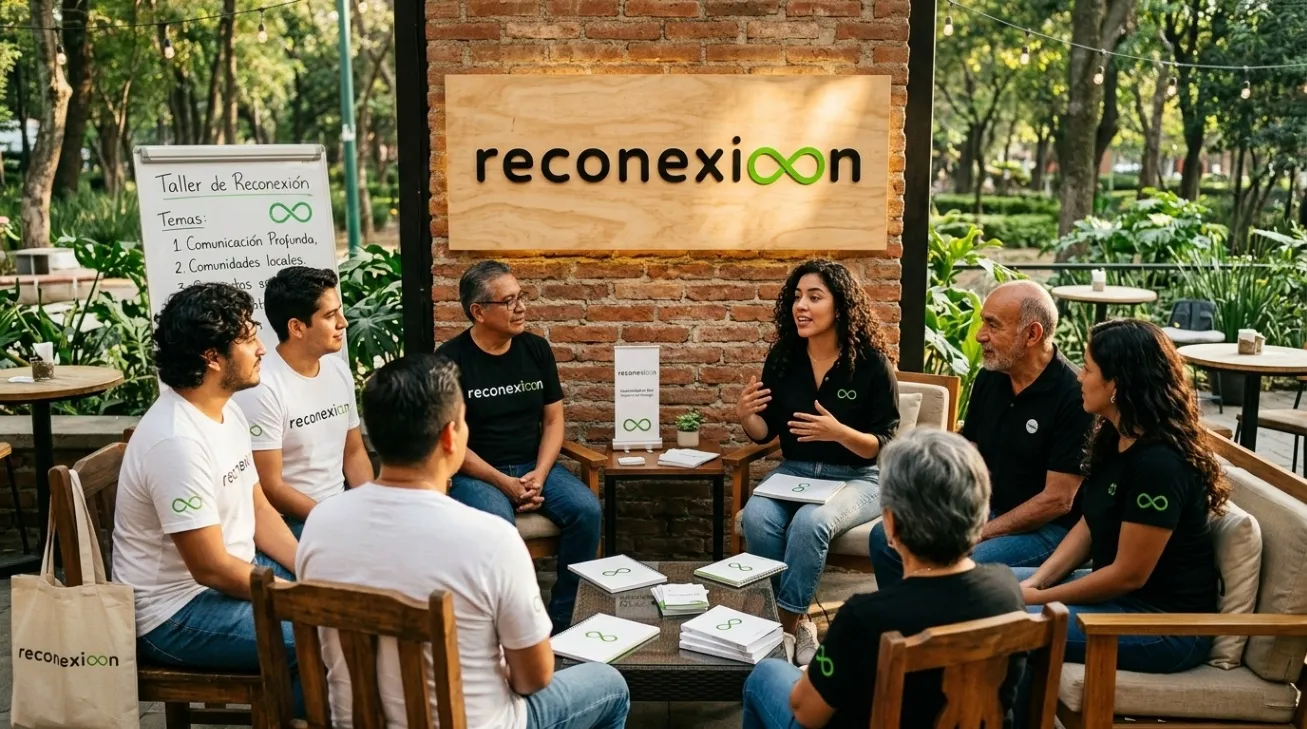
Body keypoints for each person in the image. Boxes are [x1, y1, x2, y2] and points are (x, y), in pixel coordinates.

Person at [297, 354, 630, 729]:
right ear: (449, 436)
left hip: (354, 723)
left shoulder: (321, 523)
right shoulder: (491, 540)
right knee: (609, 685)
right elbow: (533, 678)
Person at [742, 428, 1026, 729]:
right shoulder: (1008, 591)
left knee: (765, 675)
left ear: (890, 524)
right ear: (981, 515)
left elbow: (806, 712)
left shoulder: (864, 618)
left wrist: (818, 673)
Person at [112, 283, 301, 692]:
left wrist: (308, 566)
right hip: (174, 613)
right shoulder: (176, 441)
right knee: (323, 633)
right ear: (212, 357)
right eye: (248, 339)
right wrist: (298, 598)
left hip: (233, 574)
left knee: (347, 587)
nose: (262, 349)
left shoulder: (226, 411)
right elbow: (210, 567)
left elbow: (259, 508)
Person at [1016, 319, 1224, 672]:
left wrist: (1041, 597)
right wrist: (1036, 582)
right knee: (981, 588)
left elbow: (1128, 575)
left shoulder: (1160, 465)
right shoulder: (1116, 437)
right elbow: (1090, 524)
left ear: (1116, 384)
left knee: (1001, 619)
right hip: (1119, 602)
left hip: (1164, 626)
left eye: (1087, 369)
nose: (1079, 378)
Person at [869, 280, 1093, 587]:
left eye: (993, 325)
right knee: (885, 536)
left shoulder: (1074, 396)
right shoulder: (991, 376)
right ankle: (903, 612)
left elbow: (1058, 500)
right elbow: (970, 450)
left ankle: (928, 615)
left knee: (953, 565)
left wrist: (979, 532)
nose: (980, 335)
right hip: (985, 509)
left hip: (1047, 529)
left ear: (1032, 334)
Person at [736, 259, 900, 666]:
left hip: (858, 477)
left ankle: (782, 628)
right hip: (794, 472)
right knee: (756, 516)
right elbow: (765, 432)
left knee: (811, 522)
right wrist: (745, 415)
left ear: (840, 306)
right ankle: (800, 621)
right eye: (797, 297)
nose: (801, 306)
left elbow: (883, 446)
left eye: (814, 297)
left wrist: (840, 433)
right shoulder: (783, 359)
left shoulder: (872, 364)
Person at [435, 261, 601, 633]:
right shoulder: (449, 360)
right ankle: (512, 626)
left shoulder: (535, 349)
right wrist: (503, 483)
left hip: (533, 464)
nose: (521, 307)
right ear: (478, 311)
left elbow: (554, 421)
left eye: (521, 297)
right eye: (508, 301)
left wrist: (539, 475)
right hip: (477, 473)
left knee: (586, 510)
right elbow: (451, 442)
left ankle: (565, 618)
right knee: (499, 527)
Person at [234, 267, 373, 538]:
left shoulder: (338, 371)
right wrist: (335, 520)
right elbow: (271, 486)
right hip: (294, 522)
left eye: (339, 312)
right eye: (330, 316)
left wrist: (371, 507)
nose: (343, 323)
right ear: (297, 327)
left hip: (343, 509)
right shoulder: (262, 388)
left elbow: (354, 452)